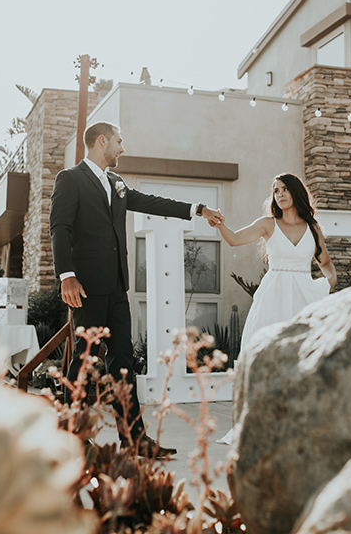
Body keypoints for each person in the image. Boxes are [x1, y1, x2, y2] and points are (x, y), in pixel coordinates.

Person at [50, 121, 223, 458]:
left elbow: (150, 202)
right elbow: (60, 228)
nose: (122, 148)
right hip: (86, 289)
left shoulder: (117, 183)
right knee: (83, 363)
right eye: (118, 141)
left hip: (117, 289)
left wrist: (197, 210)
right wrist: (66, 276)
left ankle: (134, 440)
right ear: (102, 141)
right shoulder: (70, 180)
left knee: (123, 364)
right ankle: (70, 438)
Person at [213, 173, 336, 444]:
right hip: (272, 297)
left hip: (304, 296)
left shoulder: (312, 227)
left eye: (284, 190)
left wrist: (328, 282)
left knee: (302, 357)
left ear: (295, 193)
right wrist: (220, 225)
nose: (279, 194)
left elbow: (326, 263)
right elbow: (234, 239)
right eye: (275, 190)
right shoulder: (268, 224)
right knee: (266, 358)